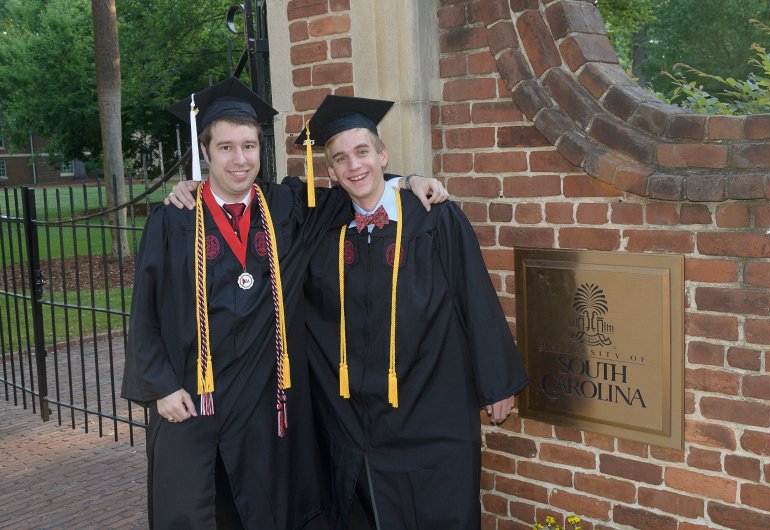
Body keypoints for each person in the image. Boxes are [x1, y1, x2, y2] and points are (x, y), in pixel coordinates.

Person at [122, 78, 446, 529]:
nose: (240, 159)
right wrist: (160, 386)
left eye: (249, 146)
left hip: (263, 409)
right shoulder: (172, 220)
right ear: (206, 152)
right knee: (194, 512)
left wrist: (408, 181)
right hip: (192, 402)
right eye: (226, 148)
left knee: (268, 512)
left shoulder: (287, 206)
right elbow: (145, 311)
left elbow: (357, 186)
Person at [297, 95, 529, 529]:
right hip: (355, 415)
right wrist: (193, 190)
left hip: (431, 405)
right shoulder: (322, 228)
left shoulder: (433, 218)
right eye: (341, 159)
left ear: (382, 155)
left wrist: (497, 383)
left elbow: (474, 295)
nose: (354, 166)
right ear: (329, 172)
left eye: (362, 152)